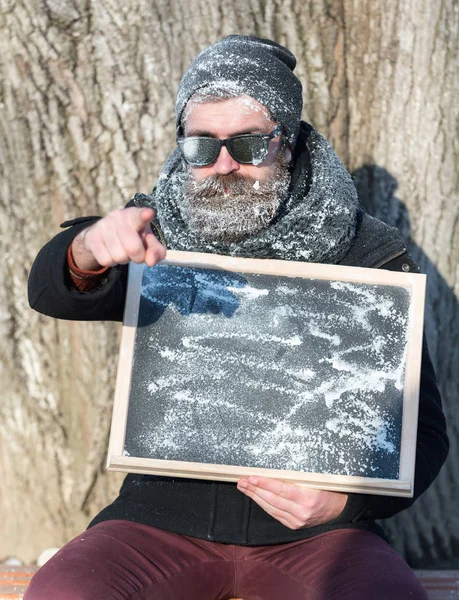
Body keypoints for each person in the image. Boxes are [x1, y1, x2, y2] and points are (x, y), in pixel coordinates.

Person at [26, 35, 448, 600]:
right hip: (159, 520)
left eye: (248, 144)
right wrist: (86, 250)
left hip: (316, 535)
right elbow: (53, 292)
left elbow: (425, 433)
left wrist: (348, 502)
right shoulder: (153, 233)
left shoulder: (365, 253)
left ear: (289, 143)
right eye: (202, 146)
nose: (223, 165)